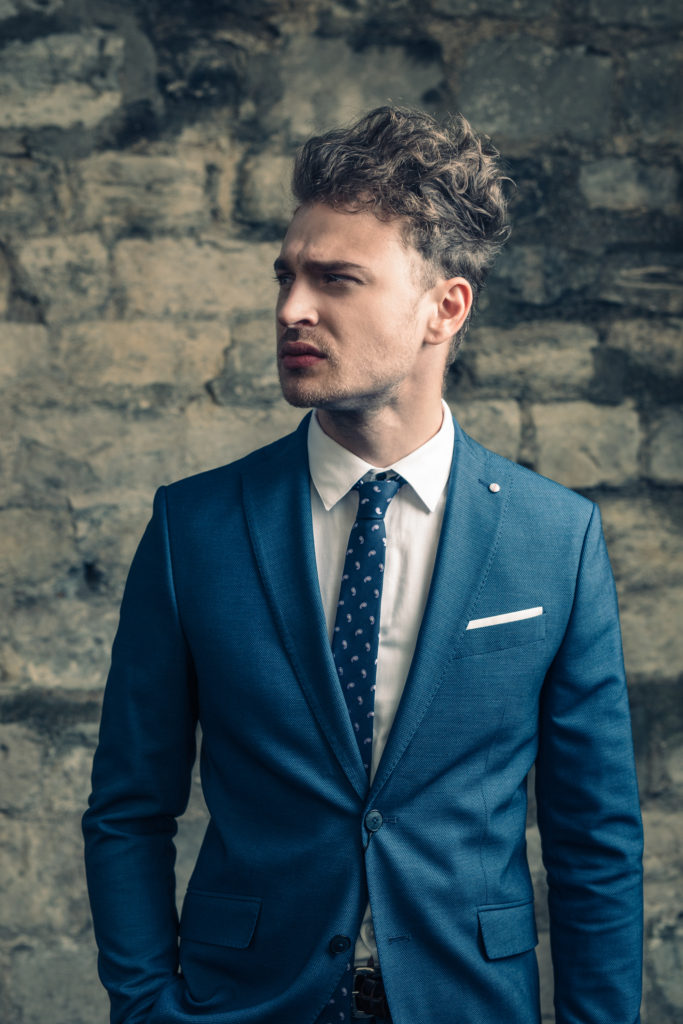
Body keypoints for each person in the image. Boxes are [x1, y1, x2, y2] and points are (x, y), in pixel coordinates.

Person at [83, 106, 643, 1024]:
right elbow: (127, 810)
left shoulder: (556, 538)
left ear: (444, 308)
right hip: (246, 1004)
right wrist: (144, 1007)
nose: (290, 309)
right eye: (287, 275)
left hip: (467, 1002)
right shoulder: (195, 527)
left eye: (336, 279)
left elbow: (595, 841)